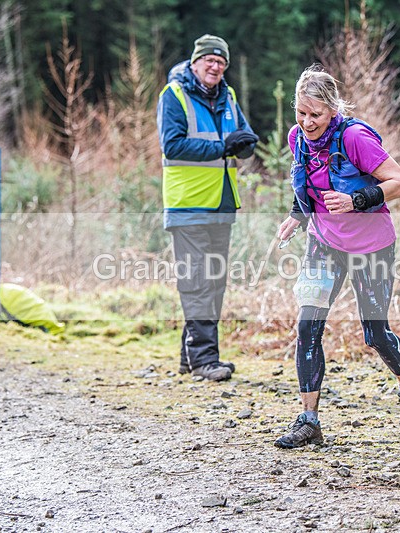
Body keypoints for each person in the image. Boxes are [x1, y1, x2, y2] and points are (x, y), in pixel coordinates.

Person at [274, 65, 400, 448]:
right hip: (324, 244)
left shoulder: (355, 137)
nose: (307, 123)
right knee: (308, 327)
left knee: (374, 333)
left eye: (316, 115)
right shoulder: (297, 138)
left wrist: (357, 199)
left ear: (332, 110)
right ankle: (308, 420)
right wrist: (297, 216)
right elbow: (308, 184)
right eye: (301, 113)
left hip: (370, 246)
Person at [157, 34, 258, 381]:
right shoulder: (173, 96)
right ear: (195, 62)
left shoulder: (228, 96)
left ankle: (192, 355)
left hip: (222, 203)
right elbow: (172, 146)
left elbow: (241, 134)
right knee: (197, 281)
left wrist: (243, 146)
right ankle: (203, 361)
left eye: (221, 62)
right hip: (187, 205)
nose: (215, 66)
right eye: (209, 60)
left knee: (214, 281)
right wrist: (222, 146)